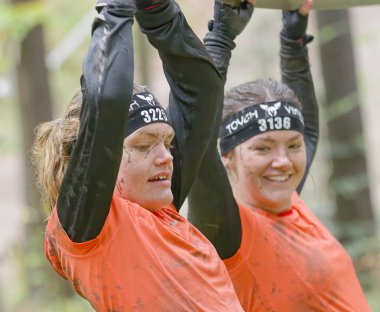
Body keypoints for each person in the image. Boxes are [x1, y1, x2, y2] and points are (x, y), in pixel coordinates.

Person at [31, 0, 245, 310]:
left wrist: (159, 10)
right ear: (97, 157)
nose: (166, 157)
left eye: (167, 143)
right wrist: (117, 9)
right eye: (143, 146)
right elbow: (106, 101)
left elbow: (199, 95)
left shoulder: (161, 209)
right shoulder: (92, 224)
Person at [188, 0, 372, 310]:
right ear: (227, 156)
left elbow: (308, 129)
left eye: (293, 146)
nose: (283, 161)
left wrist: (293, 40)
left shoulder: (287, 201)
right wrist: (221, 37)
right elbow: (197, 141)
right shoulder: (229, 228)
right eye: (262, 148)